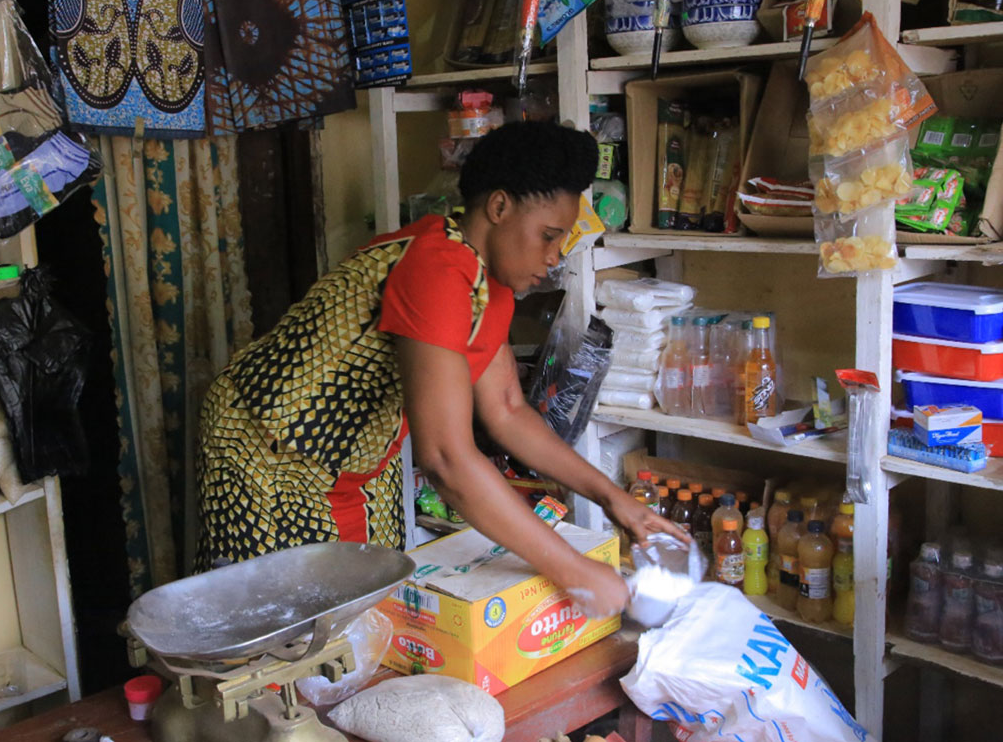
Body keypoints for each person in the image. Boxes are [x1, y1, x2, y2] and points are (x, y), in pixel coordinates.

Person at [196, 121, 688, 617]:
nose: (555, 256)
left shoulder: (486, 283)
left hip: (354, 455)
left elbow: (507, 410)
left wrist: (612, 498)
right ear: (499, 207)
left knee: (371, 604)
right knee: (294, 623)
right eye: (549, 235)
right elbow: (446, 460)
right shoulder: (435, 267)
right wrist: (574, 572)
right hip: (267, 445)